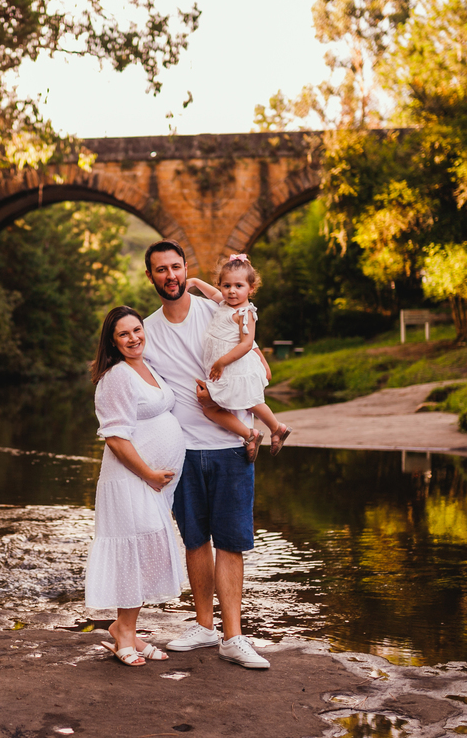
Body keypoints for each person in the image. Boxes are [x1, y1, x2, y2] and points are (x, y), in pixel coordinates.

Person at [140, 240, 272, 669]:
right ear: (151, 277)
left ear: (184, 270)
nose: (171, 275)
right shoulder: (147, 329)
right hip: (181, 450)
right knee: (195, 539)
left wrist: (260, 357)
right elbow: (132, 373)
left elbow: (245, 337)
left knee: (231, 542)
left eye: (176, 267)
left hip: (229, 447)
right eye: (161, 270)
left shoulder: (212, 309)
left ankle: (233, 637)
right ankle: (203, 626)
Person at [84, 305, 187, 667]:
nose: (133, 338)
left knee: (148, 550)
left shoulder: (149, 367)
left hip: (150, 481)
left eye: (137, 330)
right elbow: (114, 437)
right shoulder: (116, 376)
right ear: (113, 343)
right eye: (123, 334)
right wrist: (149, 473)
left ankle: (125, 628)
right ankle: (123, 633)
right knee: (136, 553)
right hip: (129, 478)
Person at [186, 253, 291, 458]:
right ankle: (260, 432)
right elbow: (213, 295)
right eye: (226, 286)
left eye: (238, 286)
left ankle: (273, 429)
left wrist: (222, 362)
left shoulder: (245, 313)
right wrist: (196, 282)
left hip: (237, 368)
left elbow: (246, 343)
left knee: (249, 402)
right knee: (216, 406)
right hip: (225, 370)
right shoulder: (225, 304)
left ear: (251, 288)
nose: (231, 291)